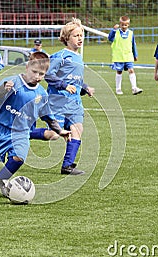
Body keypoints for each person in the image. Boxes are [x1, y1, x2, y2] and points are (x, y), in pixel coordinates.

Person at [0, 52, 71, 196]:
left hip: (21, 133)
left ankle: (2, 179)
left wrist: (60, 131)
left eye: (41, 74)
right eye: (34, 72)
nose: (37, 77)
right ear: (27, 67)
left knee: (19, 157)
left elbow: (47, 115)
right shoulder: (13, 81)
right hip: (1, 129)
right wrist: (4, 88)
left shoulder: (42, 94)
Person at [45, 18, 95, 175]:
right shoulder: (60, 56)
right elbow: (48, 75)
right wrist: (64, 86)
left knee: (77, 129)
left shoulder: (78, 57)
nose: (80, 38)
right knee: (53, 135)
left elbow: (75, 79)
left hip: (74, 103)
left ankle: (67, 166)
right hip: (58, 101)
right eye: (76, 36)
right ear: (66, 38)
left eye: (81, 35)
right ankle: (21, 134)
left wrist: (85, 87)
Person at [108, 16, 143, 95]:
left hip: (128, 56)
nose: (124, 27)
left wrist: (135, 54)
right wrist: (113, 30)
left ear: (128, 25)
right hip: (118, 57)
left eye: (125, 25)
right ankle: (118, 89)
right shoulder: (116, 32)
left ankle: (134, 88)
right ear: (120, 24)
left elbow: (133, 44)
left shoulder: (131, 33)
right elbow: (110, 39)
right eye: (122, 25)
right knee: (119, 71)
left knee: (131, 70)